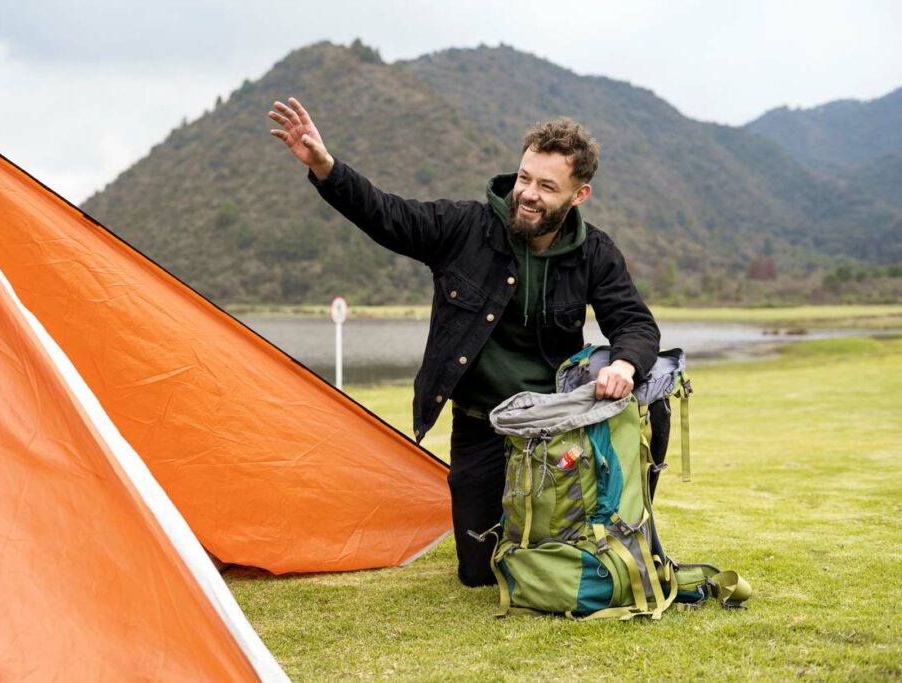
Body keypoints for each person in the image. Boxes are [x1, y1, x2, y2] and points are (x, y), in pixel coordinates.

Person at [269, 97, 660, 587]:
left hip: (552, 433)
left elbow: (636, 324)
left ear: (579, 194)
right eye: (524, 178)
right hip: (479, 428)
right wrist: (326, 169)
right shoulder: (464, 228)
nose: (528, 194)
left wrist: (625, 364)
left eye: (546, 186)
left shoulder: (595, 253)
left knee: (549, 557)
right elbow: (387, 215)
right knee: (479, 574)